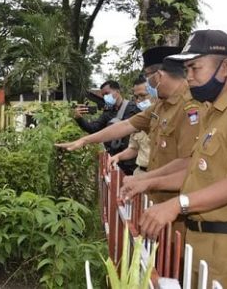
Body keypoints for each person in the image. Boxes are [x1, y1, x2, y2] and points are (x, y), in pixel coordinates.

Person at [121, 30, 227, 288]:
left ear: (224, 68)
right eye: (186, 69)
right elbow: (194, 168)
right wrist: (147, 182)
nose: (189, 77)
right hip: (197, 239)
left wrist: (175, 205)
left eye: (195, 68)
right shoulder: (211, 114)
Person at [58, 46, 201, 206]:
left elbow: (188, 162)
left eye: (147, 77)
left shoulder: (191, 107)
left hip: (180, 203)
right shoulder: (161, 105)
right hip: (157, 197)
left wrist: (147, 179)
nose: (147, 83)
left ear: (158, 76)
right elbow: (126, 125)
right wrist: (85, 140)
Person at [74, 80, 138, 174]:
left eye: (107, 93)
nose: (105, 97)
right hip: (115, 160)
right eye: (103, 95)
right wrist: (79, 119)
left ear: (117, 92)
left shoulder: (133, 109)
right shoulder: (108, 111)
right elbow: (94, 128)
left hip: (132, 161)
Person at [109, 75, 152, 175]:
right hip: (140, 172)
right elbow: (134, 148)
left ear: (155, 93)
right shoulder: (138, 119)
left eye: (142, 95)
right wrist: (118, 157)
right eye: (136, 97)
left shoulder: (167, 119)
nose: (138, 100)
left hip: (159, 176)